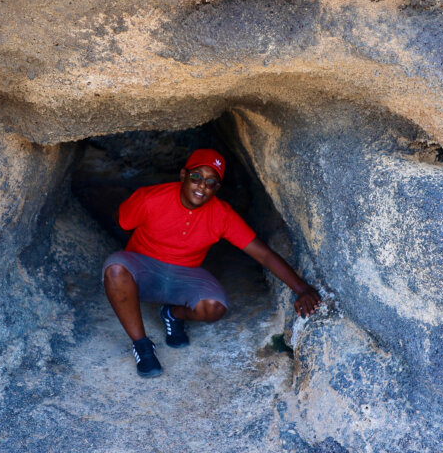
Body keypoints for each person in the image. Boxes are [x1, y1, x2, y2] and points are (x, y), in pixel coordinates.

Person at [102, 148, 322, 377]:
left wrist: (302, 289)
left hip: (184, 273)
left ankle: (172, 314)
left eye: (210, 182)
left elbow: (264, 254)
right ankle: (142, 346)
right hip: (143, 269)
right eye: (196, 177)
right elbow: (123, 221)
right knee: (115, 269)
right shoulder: (150, 198)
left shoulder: (222, 215)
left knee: (214, 307)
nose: (202, 187)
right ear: (183, 175)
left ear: (217, 188)